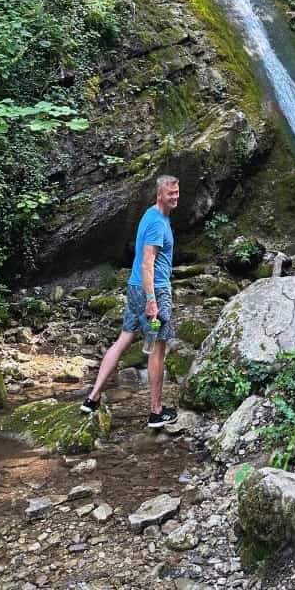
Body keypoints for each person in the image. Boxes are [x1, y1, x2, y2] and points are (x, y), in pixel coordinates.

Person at [81, 174, 180, 429]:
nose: (175, 197)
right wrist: (152, 301)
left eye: (177, 192)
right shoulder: (157, 223)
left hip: (135, 287)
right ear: (160, 194)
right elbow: (148, 262)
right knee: (157, 348)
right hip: (153, 291)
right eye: (171, 193)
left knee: (124, 339)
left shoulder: (151, 214)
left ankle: (92, 398)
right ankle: (156, 412)